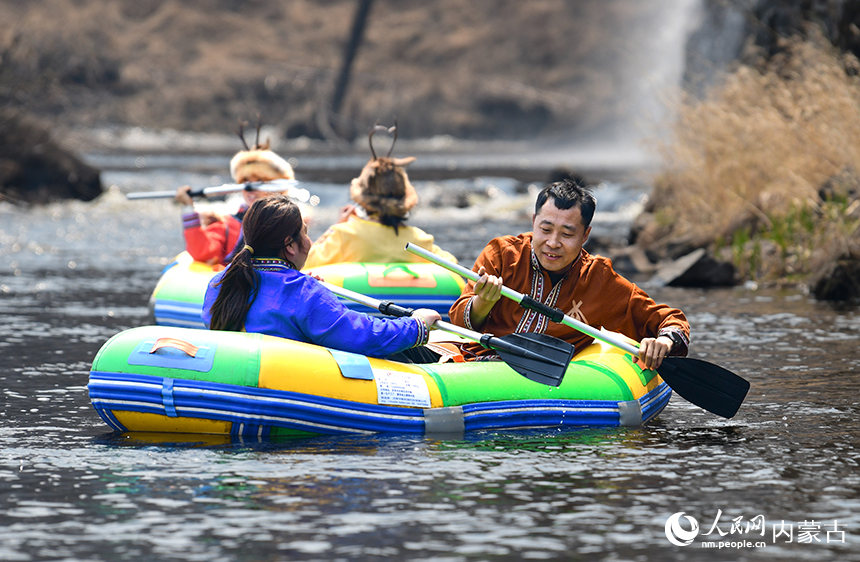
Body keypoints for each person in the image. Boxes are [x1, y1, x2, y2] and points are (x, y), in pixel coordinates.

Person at [449, 178, 690, 370]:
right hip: (479, 365)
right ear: (533, 222)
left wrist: (664, 342)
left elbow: (671, 321)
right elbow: (459, 320)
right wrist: (483, 302)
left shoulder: (599, 279)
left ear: (585, 236)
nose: (553, 243)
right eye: (545, 229)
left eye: (567, 234)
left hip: (550, 377)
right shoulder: (501, 254)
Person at [202, 194, 441, 358]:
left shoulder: (220, 281)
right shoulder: (303, 292)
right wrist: (416, 325)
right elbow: (362, 336)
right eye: (305, 234)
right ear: (290, 246)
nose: (309, 241)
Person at [303, 124, 456, 268]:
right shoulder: (419, 240)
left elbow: (306, 262)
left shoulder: (346, 234)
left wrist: (334, 227)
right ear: (404, 201)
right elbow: (452, 265)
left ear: (363, 199)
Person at [175, 124, 295, 266]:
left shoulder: (292, 225)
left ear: (279, 190)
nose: (250, 189)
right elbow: (201, 252)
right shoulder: (227, 225)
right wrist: (188, 208)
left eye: (260, 182)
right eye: (245, 182)